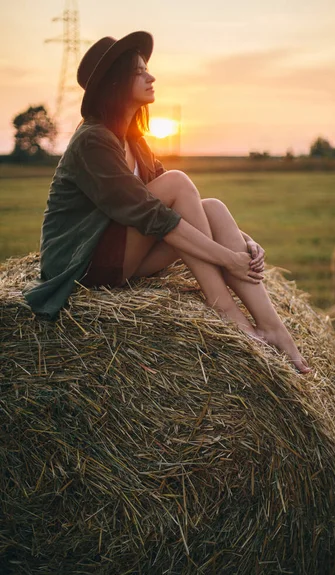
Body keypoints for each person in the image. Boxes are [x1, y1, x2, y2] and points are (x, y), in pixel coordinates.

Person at [24, 31, 311, 374]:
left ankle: (273, 328)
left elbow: (181, 212)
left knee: (214, 208)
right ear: (115, 82)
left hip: (122, 254)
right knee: (177, 182)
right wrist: (228, 258)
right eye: (140, 71)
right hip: (83, 263)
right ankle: (228, 314)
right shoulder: (93, 141)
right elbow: (151, 214)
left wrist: (243, 241)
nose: (151, 76)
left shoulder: (135, 140)